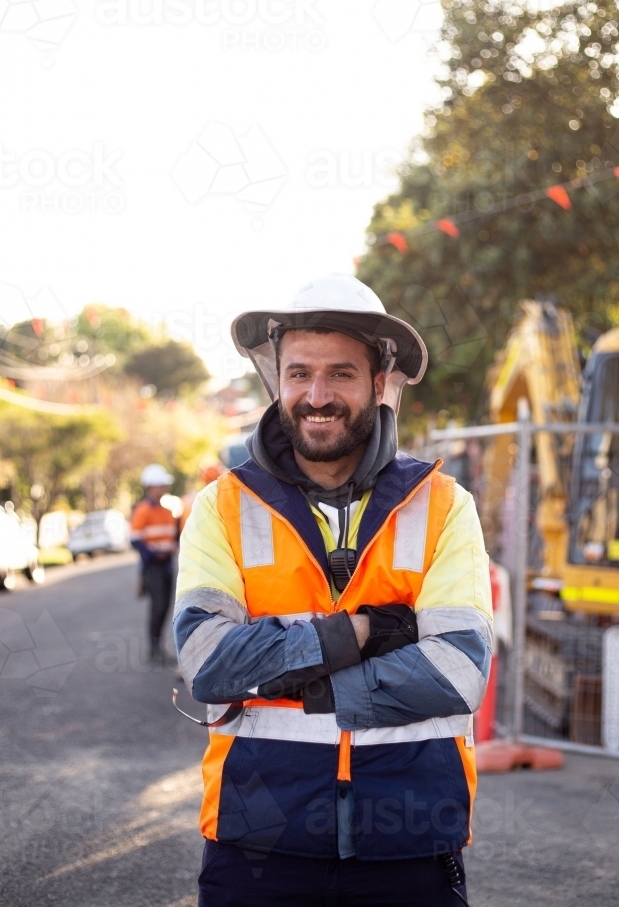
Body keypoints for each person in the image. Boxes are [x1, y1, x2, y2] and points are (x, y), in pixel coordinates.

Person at [174, 275, 493, 906]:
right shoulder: (222, 506)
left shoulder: (444, 505)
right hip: (258, 841)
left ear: (379, 385)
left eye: (341, 374)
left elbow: (457, 671)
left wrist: (292, 683)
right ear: (278, 381)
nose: (316, 396)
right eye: (299, 374)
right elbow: (207, 664)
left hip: (410, 839)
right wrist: (363, 632)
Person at [131, 463, 179, 662]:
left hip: (167, 564)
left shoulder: (167, 511)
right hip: (152, 567)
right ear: (150, 486)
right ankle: (154, 650)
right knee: (157, 606)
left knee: (166, 606)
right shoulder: (143, 510)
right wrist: (153, 553)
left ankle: (159, 648)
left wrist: (172, 546)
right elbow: (135, 539)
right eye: (160, 485)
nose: (163, 488)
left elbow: (173, 537)